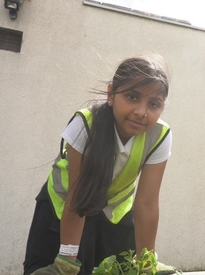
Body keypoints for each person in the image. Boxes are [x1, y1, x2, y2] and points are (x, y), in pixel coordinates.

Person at [23, 54, 177, 275]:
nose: (141, 112)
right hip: (65, 206)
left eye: (153, 104)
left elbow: (147, 203)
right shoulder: (85, 125)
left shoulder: (160, 135)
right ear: (111, 94)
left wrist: (147, 262)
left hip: (114, 214)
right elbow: (78, 196)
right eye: (132, 97)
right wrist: (66, 260)